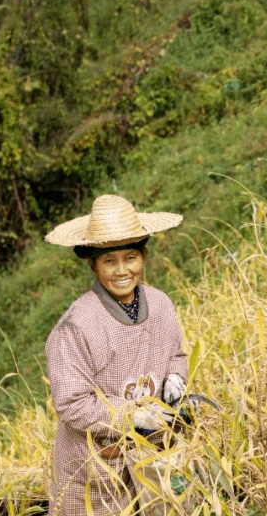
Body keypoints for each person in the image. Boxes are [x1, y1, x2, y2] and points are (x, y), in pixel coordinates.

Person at [44, 194, 188, 516]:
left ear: (144, 256)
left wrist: (176, 380)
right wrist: (132, 417)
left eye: (131, 257)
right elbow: (71, 403)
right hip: (94, 473)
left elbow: (175, 353)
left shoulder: (161, 304)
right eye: (109, 260)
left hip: (152, 458)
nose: (122, 270)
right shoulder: (75, 327)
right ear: (92, 263)